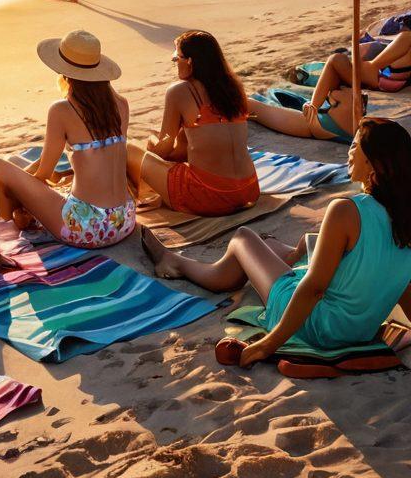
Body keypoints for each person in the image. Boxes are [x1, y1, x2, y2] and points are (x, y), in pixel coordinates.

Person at [141, 119, 411, 367]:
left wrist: (266, 346)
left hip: (320, 327)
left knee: (243, 237)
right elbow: (404, 286)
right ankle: (274, 253)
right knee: (304, 246)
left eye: (355, 145)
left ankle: (178, 263)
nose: (350, 152)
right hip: (359, 330)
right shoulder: (405, 216)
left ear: (376, 163)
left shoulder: (346, 210)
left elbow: (314, 289)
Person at [0, 30, 133, 271]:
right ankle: (19, 214)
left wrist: (21, 192)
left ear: (65, 73)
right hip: (124, 220)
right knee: (25, 178)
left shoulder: (62, 110)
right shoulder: (121, 104)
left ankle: (12, 218)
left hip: (88, 229)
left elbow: (44, 173)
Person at [125, 31, 259, 216]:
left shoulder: (179, 91)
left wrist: (149, 145)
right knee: (184, 141)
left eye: (176, 58)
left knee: (127, 150)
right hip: (249, 190)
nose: (175, 63)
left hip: (210, 196)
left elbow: (164, 148)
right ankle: (154, 192)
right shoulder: (233, 89)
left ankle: (139, 199)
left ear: (190, 61)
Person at [303, 22, 411, 117]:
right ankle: (314, 108)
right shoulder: (389, 43)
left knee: (335, 59)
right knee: (336, 60)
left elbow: (357, 59)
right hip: (387, 75)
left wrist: (355, 41)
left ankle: (313, 108)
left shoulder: (401, 39)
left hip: (383, 75)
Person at [248, 86, 356, 144]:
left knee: (250, 104)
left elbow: (334, 62)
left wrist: (313, 106)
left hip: (316, 122)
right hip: (321, 118)